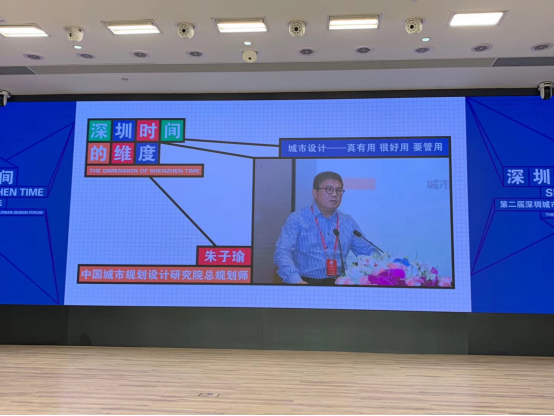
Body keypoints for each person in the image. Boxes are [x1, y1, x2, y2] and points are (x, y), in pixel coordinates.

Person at [274, 171, 377, 286]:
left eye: (339, 190)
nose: (334, 194)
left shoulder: (348, 222)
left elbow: (368, 253)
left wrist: (382, 267)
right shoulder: (297, 219)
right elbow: (282, 252)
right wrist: (296, 281)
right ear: (315, 193)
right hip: (305, 283)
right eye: (329, 189)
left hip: (340, 284)